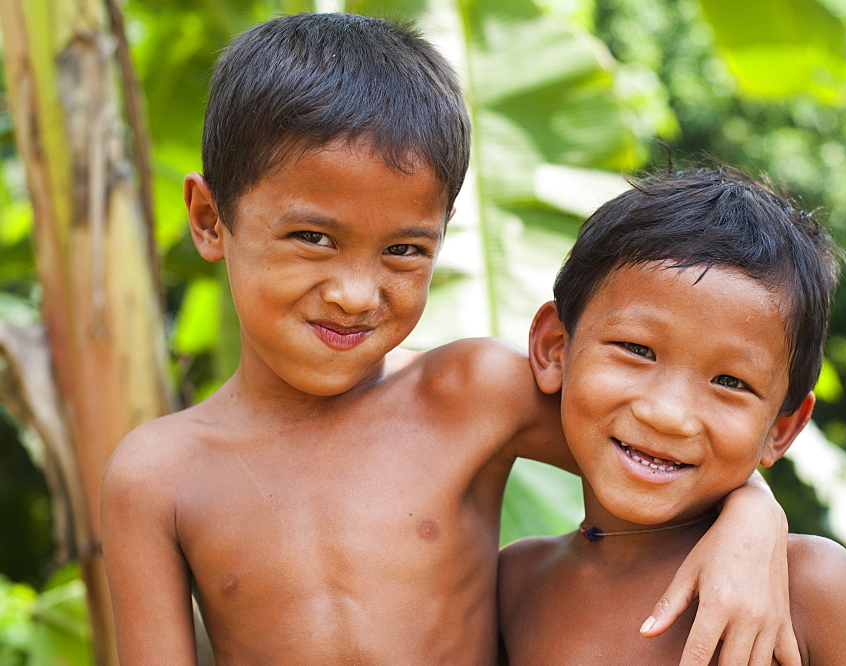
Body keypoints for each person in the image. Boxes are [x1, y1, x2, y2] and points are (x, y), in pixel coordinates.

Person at [101, 14, 800, 664]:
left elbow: (663, 449)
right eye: (313, 238)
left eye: (404, 250)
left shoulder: (473, 392)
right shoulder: (157, 476)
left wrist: (754, 517)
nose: (355, 293)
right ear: (209, 218)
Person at [499, 165, 846, 664]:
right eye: (636, 349)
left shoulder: (810, 587)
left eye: (731, 382)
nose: (670, 416)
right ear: (555, 348)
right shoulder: (516, 584)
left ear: (781, 429)